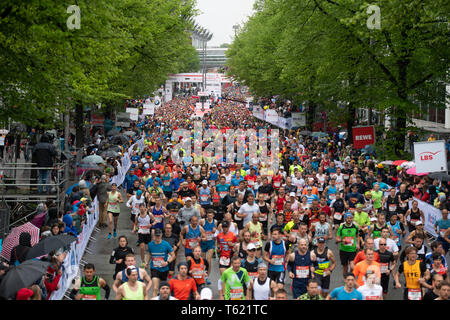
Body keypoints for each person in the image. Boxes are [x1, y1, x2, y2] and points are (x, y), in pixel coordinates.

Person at [145, 228, 176, 298]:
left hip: (164, 269)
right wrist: (147, 262)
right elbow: (150, 253)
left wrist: (167, 262)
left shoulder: (166, 244)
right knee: (155, 288)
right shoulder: (150, 244)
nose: (157, 237)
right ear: (154, 236)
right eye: (156, 236)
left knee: (162, 289)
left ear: (161, 235)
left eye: (159, 236)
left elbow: (173, 255)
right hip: (154, 268)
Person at [133, 203, 153, 267]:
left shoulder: (149, 214)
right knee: (142, 248)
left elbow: (155, 221)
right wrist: (134, 229)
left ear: (145, 208)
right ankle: (143, 261)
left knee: (147, 249)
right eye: (140, 207)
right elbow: (136, 224)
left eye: (143, 207)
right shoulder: (137, 215)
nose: (142, 208)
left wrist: (151, 225)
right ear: (139, 208)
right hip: (141, 232)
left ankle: (147, 261)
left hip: (147, 233)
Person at [200, 209, 216, 284]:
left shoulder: (215, 222)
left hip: (211, 243)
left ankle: (207, 277)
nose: (209, 216)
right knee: (203, 261)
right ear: (206, 215)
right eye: (208, 215)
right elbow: (198, 229)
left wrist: (215, 231)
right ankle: (202, 275)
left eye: (211, 215)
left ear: (213, 215)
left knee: (208, 260)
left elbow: (216, 233)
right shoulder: (202, 221)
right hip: (203, 243)